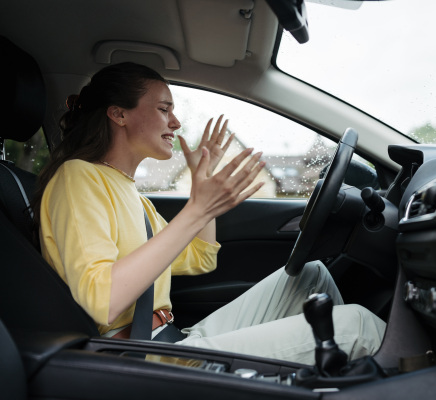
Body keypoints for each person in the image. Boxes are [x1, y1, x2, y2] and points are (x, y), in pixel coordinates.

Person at [34, 62, 386, 365]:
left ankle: (340, 373)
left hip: (169, 337)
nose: (176, 122)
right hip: (140, 355)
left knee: (312, 276)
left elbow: (200, 259)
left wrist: (198, 194)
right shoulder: (77, 178)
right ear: (119, 113)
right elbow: (102, 301)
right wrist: (199, 209)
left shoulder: (130, 193)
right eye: (163, 109)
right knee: (358, 325)